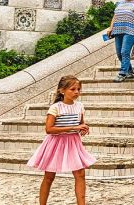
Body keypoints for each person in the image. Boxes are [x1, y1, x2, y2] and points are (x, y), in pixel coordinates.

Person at [27, 75, 95, 205]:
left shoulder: (80, 106)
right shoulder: (56, 107)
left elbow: (80, 123)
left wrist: (83, 128)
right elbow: (49, 129)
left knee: (80, 174)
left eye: (78, 89)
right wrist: (74, 127)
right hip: (55, 144)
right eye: (72, 89)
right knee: (49, 177)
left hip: (73, 143)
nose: (76, 92)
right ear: (62, 91)